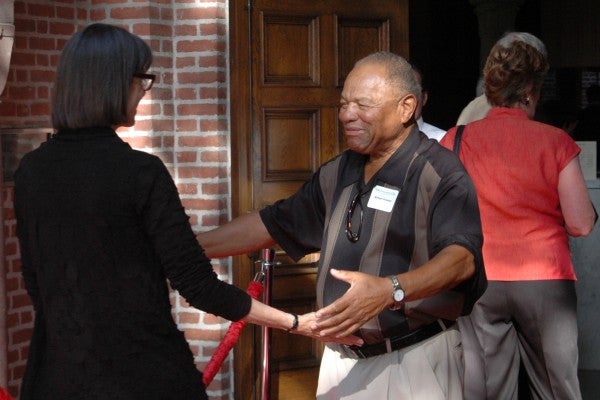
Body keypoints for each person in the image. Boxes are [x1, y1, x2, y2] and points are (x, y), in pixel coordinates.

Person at [14, 23, 359, 400]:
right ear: (116, 83)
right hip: (142, 374)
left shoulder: (31, 171)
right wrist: (296, 322)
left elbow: (36, 283)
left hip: (55, 377)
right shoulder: (139, 173)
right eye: (142, 80)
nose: (144, 93)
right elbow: (200, 287)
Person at [198, 51, 487, 400]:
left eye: (362, 105)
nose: (347, 115)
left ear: (407, 107)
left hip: (414, 361)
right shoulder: (338, 172)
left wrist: (391, 289)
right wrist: (189, 246)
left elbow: (462, 259)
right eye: (344, 104)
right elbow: (274, 223)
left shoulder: (440, 172)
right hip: (341, 361)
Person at [440, 32, 597, 400]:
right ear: (530, 90)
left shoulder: (455, 139)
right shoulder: (555, 141)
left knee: (486, 391)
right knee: (557, 389)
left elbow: (436, 212)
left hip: (478, 278)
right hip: (545, 279)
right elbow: (580, 223)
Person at [411, 64, 447, 141]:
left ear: (424, 98)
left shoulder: (442, 139)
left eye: (413, 91)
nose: (407, 100)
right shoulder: (380, 140)